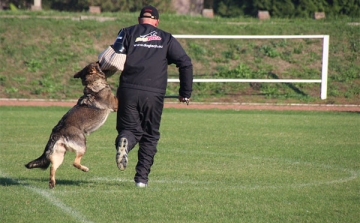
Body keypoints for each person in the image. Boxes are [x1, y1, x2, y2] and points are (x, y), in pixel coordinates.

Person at [98, 5, 193, 187]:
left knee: (128, 129)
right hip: (154, 93)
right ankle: (141, 180)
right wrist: (185, 93)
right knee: (150, 135)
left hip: (128, 90)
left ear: (139, 20)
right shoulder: (166, 38)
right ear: (156, 21)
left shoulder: (127, 32)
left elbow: (111, 57)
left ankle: (124, 141)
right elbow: (185, 63)